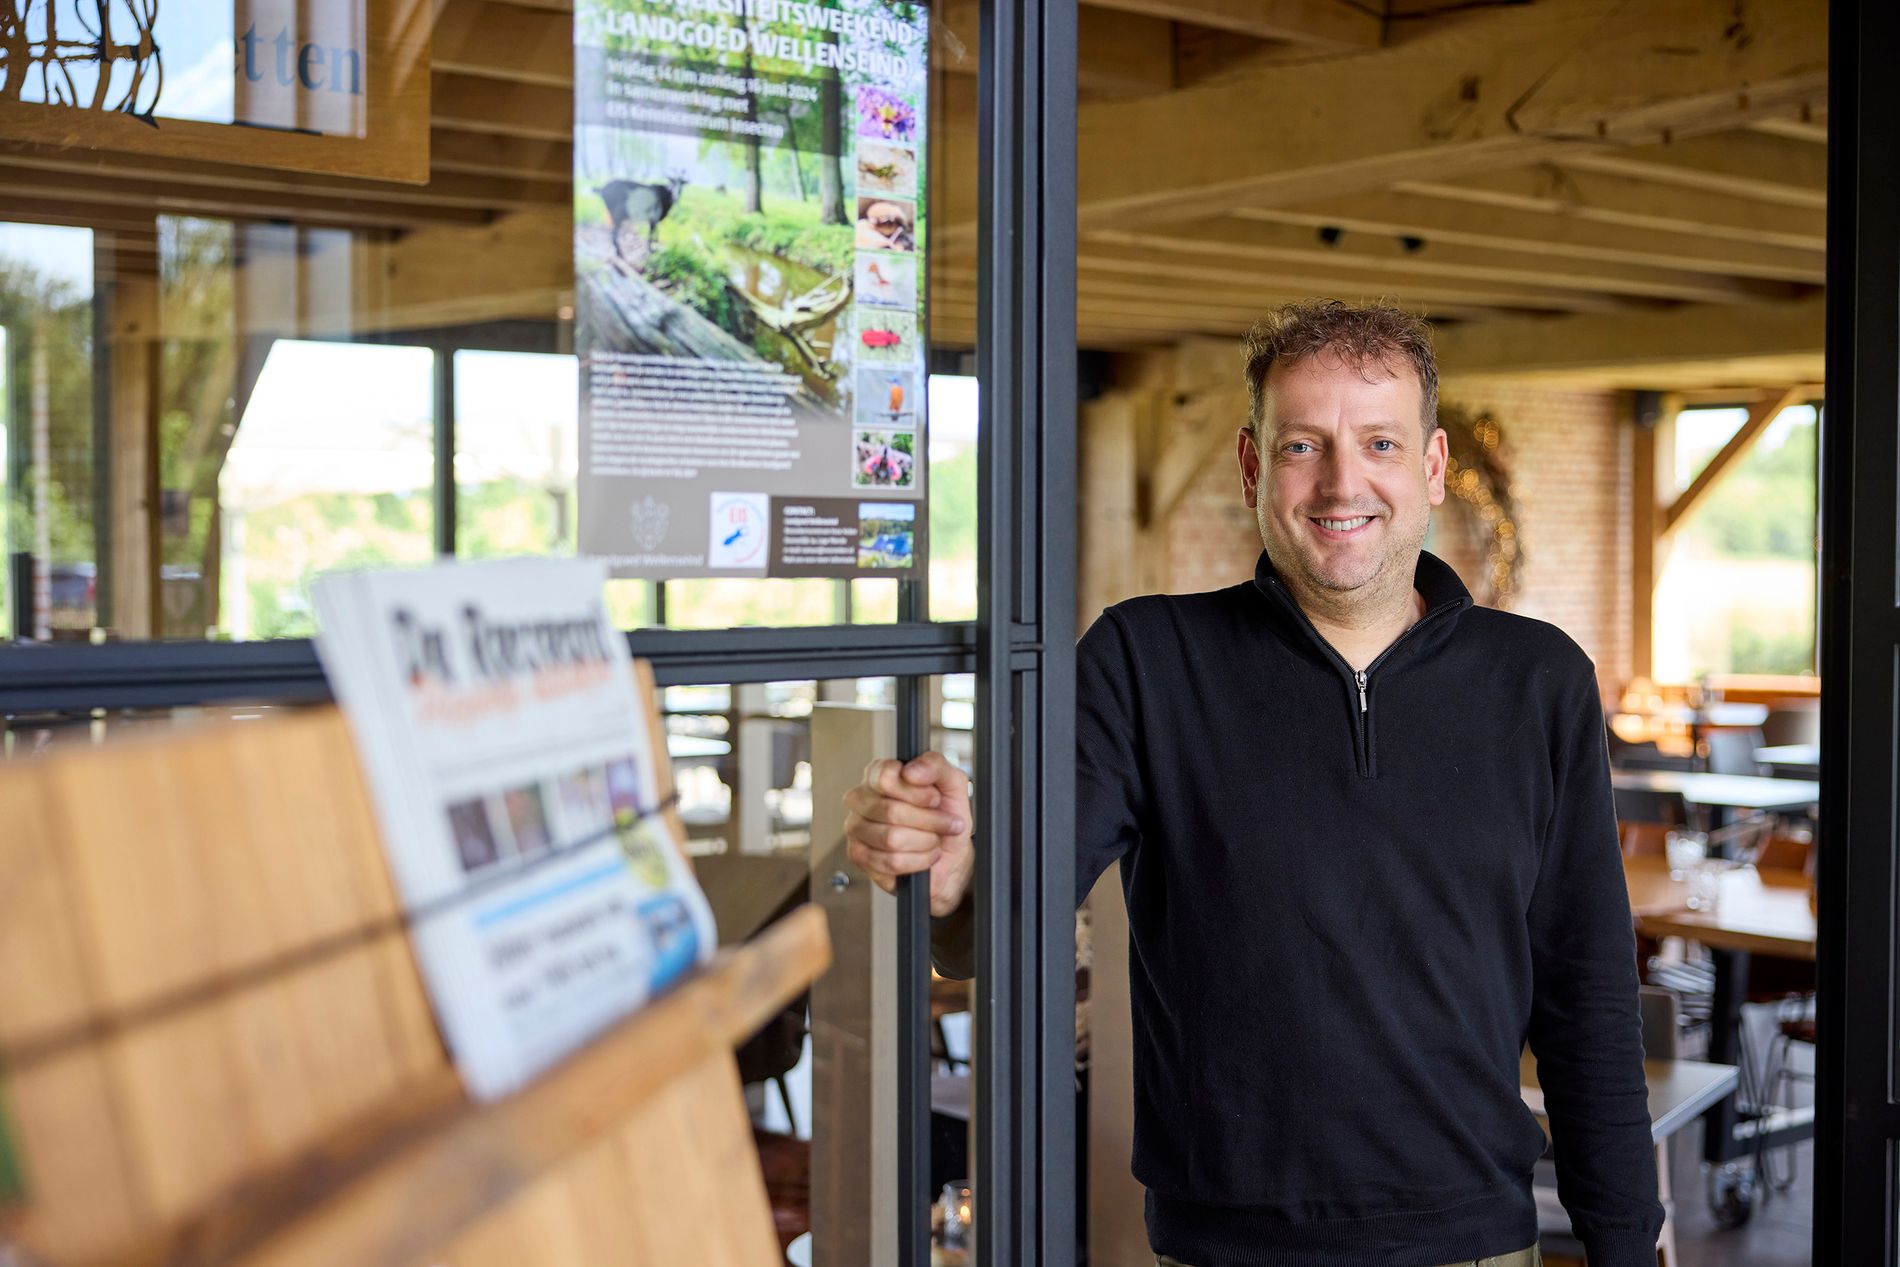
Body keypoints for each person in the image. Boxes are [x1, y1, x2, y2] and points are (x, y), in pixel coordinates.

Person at [843, 300, 1663, 1267]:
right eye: (1302, 445)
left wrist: (1623, 1243)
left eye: (1380, 443)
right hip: (1222, 1250)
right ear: (1251, 466)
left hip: (1471, 1242)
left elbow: (1589, 995)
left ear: (1433, 467)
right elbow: (1011, 907)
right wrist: (952, 879)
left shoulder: (1538, 680)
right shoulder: (1145, 661)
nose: (1340, 482)